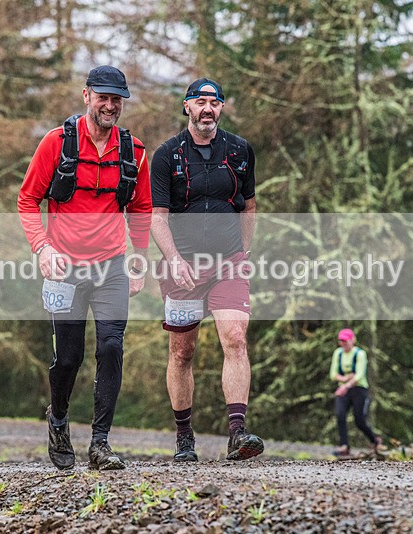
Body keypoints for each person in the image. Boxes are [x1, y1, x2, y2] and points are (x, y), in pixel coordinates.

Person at [17, 65, 152, 471]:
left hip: (111, 265)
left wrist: (139, 260)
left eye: (117, 99)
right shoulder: (56, 143)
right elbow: (27, 200)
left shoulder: (135, 151)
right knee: (69, 358)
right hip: (65, 268)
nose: (110, 105)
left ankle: (101, 443)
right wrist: (41, 248)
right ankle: (58, 419)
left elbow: (141, 209)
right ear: (86, 95)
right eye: (103, 97)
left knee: (111, 347)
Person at [150, 77, 263, 462]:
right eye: (200, 101)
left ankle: (237, 433)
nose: (207, 108)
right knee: (183, 352)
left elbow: (248, 207)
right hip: (182, 268)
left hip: (228, 262)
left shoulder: (240, 150)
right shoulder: (166, 155)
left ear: (222, 109)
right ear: (186, 107)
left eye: (214, 102)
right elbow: (158, 218)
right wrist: (174, 259)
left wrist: (244, 251)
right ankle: (184, 437)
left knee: (235, 337)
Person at [330, 328, 384, 457]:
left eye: (345, 341)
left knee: (359, 420)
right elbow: (333, 374)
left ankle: (375, 440)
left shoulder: (360, 354)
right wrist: (345, 379)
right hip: (343, 389)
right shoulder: (338, 353)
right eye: (341, 341)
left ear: (352, 340)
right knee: (340, 414)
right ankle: (344, 445)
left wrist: (346, 385)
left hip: (359, 390)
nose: (343, 344)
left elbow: (359, 375)